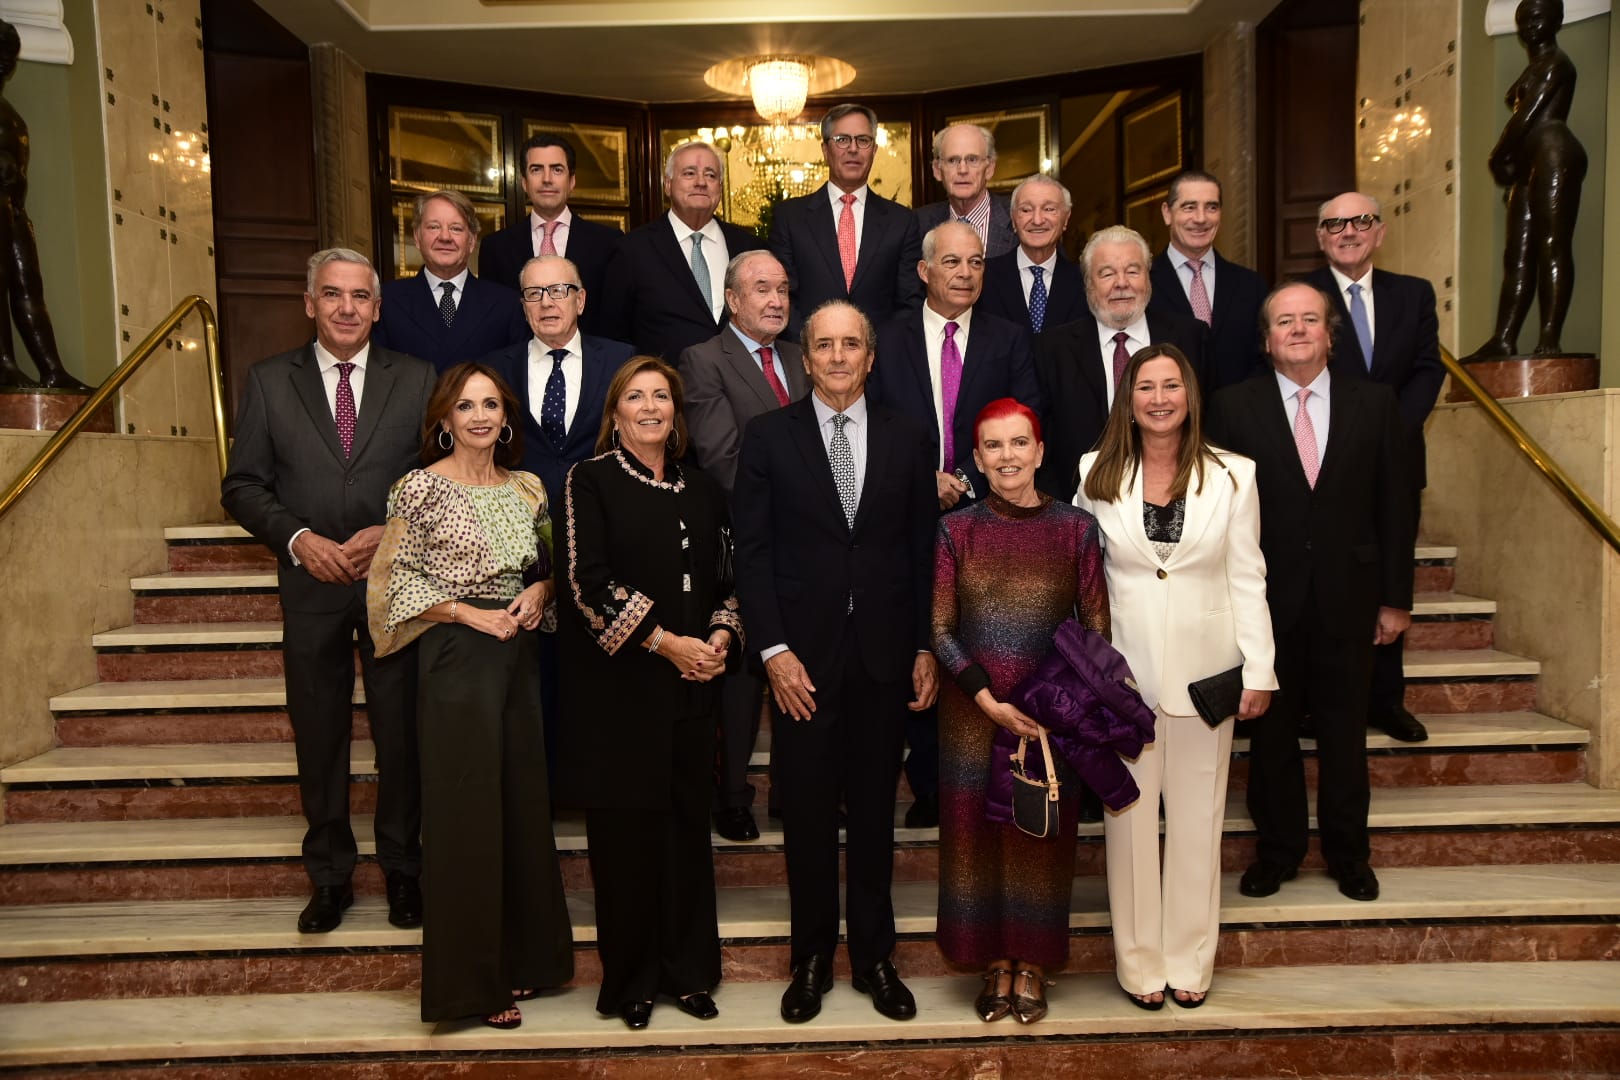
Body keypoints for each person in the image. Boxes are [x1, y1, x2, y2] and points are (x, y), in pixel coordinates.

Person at [733, 300, 937, 1024]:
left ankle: (876, 958)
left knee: (878, 814)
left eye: (853, 343)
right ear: (806, 357)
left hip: (885, 656)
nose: (840, 356)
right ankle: (813, 957)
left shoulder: (912, 437)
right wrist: (774, 651)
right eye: (825, 345)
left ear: (871, 357)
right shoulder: (767, 438)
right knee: (811, 816)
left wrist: (923, 644)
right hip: (801, 664)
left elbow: (921, 553)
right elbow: (752, 555)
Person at [221, 248, 435, 935]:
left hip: (394, 583)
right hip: (309, 582)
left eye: (360, 297)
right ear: (309, 303)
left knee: (401, 735)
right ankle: (330, 877)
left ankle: (404, 871)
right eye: (333, 295)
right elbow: (242, 484)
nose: (347, 308)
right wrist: (299, 539)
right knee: (320, 734)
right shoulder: (267, 381)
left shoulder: (417, 377)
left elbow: (437, 478)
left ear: (378, 306)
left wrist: (392, 529)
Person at [366, 362, 573, 1030]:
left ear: (506, 417)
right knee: (465, 818)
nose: (479, 416)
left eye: (490, 404)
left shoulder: (530, 489)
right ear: (444, 420)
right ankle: (470, 987)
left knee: (520, 806)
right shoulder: (418, 490)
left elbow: (546, 565)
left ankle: (528, 962)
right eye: (465, 406)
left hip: (519, 658)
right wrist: (470, 615)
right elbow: (394, 584)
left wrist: (540, 592)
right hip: (457, 658)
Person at [1074, 343, 1276, 1010]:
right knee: (1129, 829)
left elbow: (1248, 575)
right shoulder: (1093, 473)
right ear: (1127, 402)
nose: (1158, 398)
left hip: (1206, 678)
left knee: (1198, 826)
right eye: (1145, 387)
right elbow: (1079, 579)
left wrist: (1260, 668)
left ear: (1190, 395)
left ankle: (1191, 960)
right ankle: (1139, 967)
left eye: (1170, 386)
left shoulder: (1233, 476)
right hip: (1121, 684)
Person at [1207, 282, 1414, 905]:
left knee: (1344, 735)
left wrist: (1395, 598)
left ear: (1330, 333)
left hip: (1350, 599)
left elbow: (1397, 506)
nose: (1297, 330)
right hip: (1266, 603)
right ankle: (1279, 853)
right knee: (1269, 740)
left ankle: (1350, 855)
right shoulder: (1231, 406)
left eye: (1309, 320)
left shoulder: (1375, 404)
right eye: (1283, 322)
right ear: (1266, 340)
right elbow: (1216, 511)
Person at [552, 356, 742, 1030]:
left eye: (662, 395)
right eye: (636, 396)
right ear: (616, 411)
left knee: (688, 834)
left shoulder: (704, 487)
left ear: (676, 411)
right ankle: (631, 981)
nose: (651, 407)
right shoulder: (589, 480)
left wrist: (719, 641)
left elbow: (727, 581)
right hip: (620, 697)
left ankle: (689, 973)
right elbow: (584, 583)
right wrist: (666, 642)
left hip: (693, 693)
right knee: (626, 845)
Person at [931, 397, 1109, 1025]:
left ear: (1039, 450)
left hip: (1047, 720)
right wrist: (986, 696)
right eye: (993, 446)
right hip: (970, 715)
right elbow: (940, 627)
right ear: (976, 458)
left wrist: (1053, 703)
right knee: (975, 838)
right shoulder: (957, 531)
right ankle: (991, 962)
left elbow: (1095, 629)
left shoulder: (1076, 530)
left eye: (1018, 443)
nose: (1007, 456)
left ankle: (1031, 964)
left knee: (1040, 841)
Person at [871, 219, 1041, 829]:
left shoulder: (1008, 337)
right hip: (900, 513)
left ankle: (981, 773)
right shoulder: (884, 339)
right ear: (924, 271)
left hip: (984, 514)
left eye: (975, 263)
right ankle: (929, 783)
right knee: (917, 635)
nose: (965, 273)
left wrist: (965, 477)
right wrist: (923, 479)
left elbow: (1025, 412)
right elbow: (869, 420)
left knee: (978, 640)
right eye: (951, 263)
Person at [480, 253, 636, 767]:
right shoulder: (492, 370)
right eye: (534, 293)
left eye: (559, 290)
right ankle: (543, 782)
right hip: (520, 546)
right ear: (522, 305)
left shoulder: (623, 362)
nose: (547, 302)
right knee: (536, 671)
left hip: (606, 538)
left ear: (582, 299)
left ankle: (592, 775)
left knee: (601, 665)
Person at [1301, 192, 1442, 743]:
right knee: (1325, 584)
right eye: (1335, 223)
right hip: (1323, 464)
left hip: (1398, 461)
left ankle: (1386, 699)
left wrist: (1387, 434)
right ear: (1320, 236)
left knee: (1388, 578)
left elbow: (1428, 371)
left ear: (1380, 231)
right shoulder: (1301, 299)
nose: (1348, 231)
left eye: (1361, 221)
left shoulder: (1414, 295)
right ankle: (1318, 701)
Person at [679, 250, 808, 843]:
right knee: (738, 677)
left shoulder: (802, 358)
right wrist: (811, 504)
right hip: (742, 540)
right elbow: (721, 458)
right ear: (733, 299)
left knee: (800, 664)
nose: (776, 300)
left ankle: (794, 790)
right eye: (762, 289)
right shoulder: (703, 360)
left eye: (783, 289)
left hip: (808, 549)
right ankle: (730, 797)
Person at [1034, 225, 1205, 501]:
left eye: (1133, 270)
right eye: (1107, 273)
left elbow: (1205, 424)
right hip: (1081, 503)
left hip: (1177, 497)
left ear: (1148, 278)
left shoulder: (1191, 338)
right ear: (1088, 283)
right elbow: (1044, 442)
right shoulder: (1051, 349)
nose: (1121, 283)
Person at [1466, 0, 1587, 361]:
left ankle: (1550, 335)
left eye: (1539, 17)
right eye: (1524, 20)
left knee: (1551, 244)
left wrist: (1497, 154)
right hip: (1530, 163)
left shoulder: (1556, 64)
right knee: (1516, 256)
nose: (1531, 25)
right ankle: (1503, 338)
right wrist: (1509, 161)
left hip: (1554, 152)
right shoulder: (1535, 65)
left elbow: (1526, 117)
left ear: (1556, 21)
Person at [599, 142, 766, 363]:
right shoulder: (632, 250)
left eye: (711, 175)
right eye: (689, 173)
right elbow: (613, 335)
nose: (701, 182)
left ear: (720, 187)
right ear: (667, 185)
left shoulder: (749, 247)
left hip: (742, 388)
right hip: (666, 389)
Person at [769, 104, 924, 336]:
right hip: (807, 358)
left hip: (881, 361)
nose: (853, 149)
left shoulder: (902, 222)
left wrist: (877, 353)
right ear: (825, 149)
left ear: (874, 150)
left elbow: (909, 302)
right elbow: (783, 295)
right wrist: (811, 348)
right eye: (842, 139)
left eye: (863, 140)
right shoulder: (790, 218)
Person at [0, 19, 89, 389]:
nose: (5, 61)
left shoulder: (14, 118)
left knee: (29, 287)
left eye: (9, 54)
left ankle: (53, 370)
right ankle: (3, 363)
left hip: (14, 210)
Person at [478, 131, 624, 337]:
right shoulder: (496, 247)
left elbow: (616, 318)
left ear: (571, 181)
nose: (547, 179)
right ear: (524, 182)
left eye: (557, 169)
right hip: (518, 364)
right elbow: (492, 322)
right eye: (536, 170)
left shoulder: (609, 242)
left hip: (592, 364)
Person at [372, 188, 529, 372]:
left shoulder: (507, 304)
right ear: (417, 237)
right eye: (434, 227)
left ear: (471, 241)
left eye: (456, 228)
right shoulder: (386, 301)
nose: (445, 237)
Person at [1147, 170, 1266, 393]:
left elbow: (1264, 358)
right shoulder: (1143, 284)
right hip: (1166, 418)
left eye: (1211, 207)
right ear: (1167, 213)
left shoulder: (1251, 286)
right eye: (1189, 207)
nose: (1201, 218)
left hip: (1238, 419)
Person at [978, 175, 1086, 336]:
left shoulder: (1085, 281)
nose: (1037, 220)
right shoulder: (983, 276)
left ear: (1066, 218)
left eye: (1049, 209)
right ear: (1013, 219)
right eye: (1026, 210)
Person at [914, 123, 1017, 258]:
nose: (963, 170)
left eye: (972, 159)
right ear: (937, 170)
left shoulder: (1017, 218)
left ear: (990, 168)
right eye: (952, 160)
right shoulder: (918, 224)